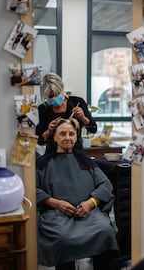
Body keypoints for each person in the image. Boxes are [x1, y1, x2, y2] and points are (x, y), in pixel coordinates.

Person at [36, 118, 119, 270]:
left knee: (105, 231)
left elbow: (105, 184)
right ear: (54, 137)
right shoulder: (43, 164)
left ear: (76, 137)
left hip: (88, 214)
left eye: (71, 134)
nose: (67, 138)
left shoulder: (85, 161)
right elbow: (33, 189)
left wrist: (90, 203)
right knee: (63, 240)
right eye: (62, 134)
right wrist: (56, 203)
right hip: (56, 216)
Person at [36, 73, 97, 151]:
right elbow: (40, 141)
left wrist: (83, 118)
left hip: (76, 152)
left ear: (62, 88)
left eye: (57, 94)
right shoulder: (43, 109)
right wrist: (49, 131)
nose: (54, 98)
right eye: (50, 96)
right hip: (53, 154)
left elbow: (93, 129)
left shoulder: (77, 102)